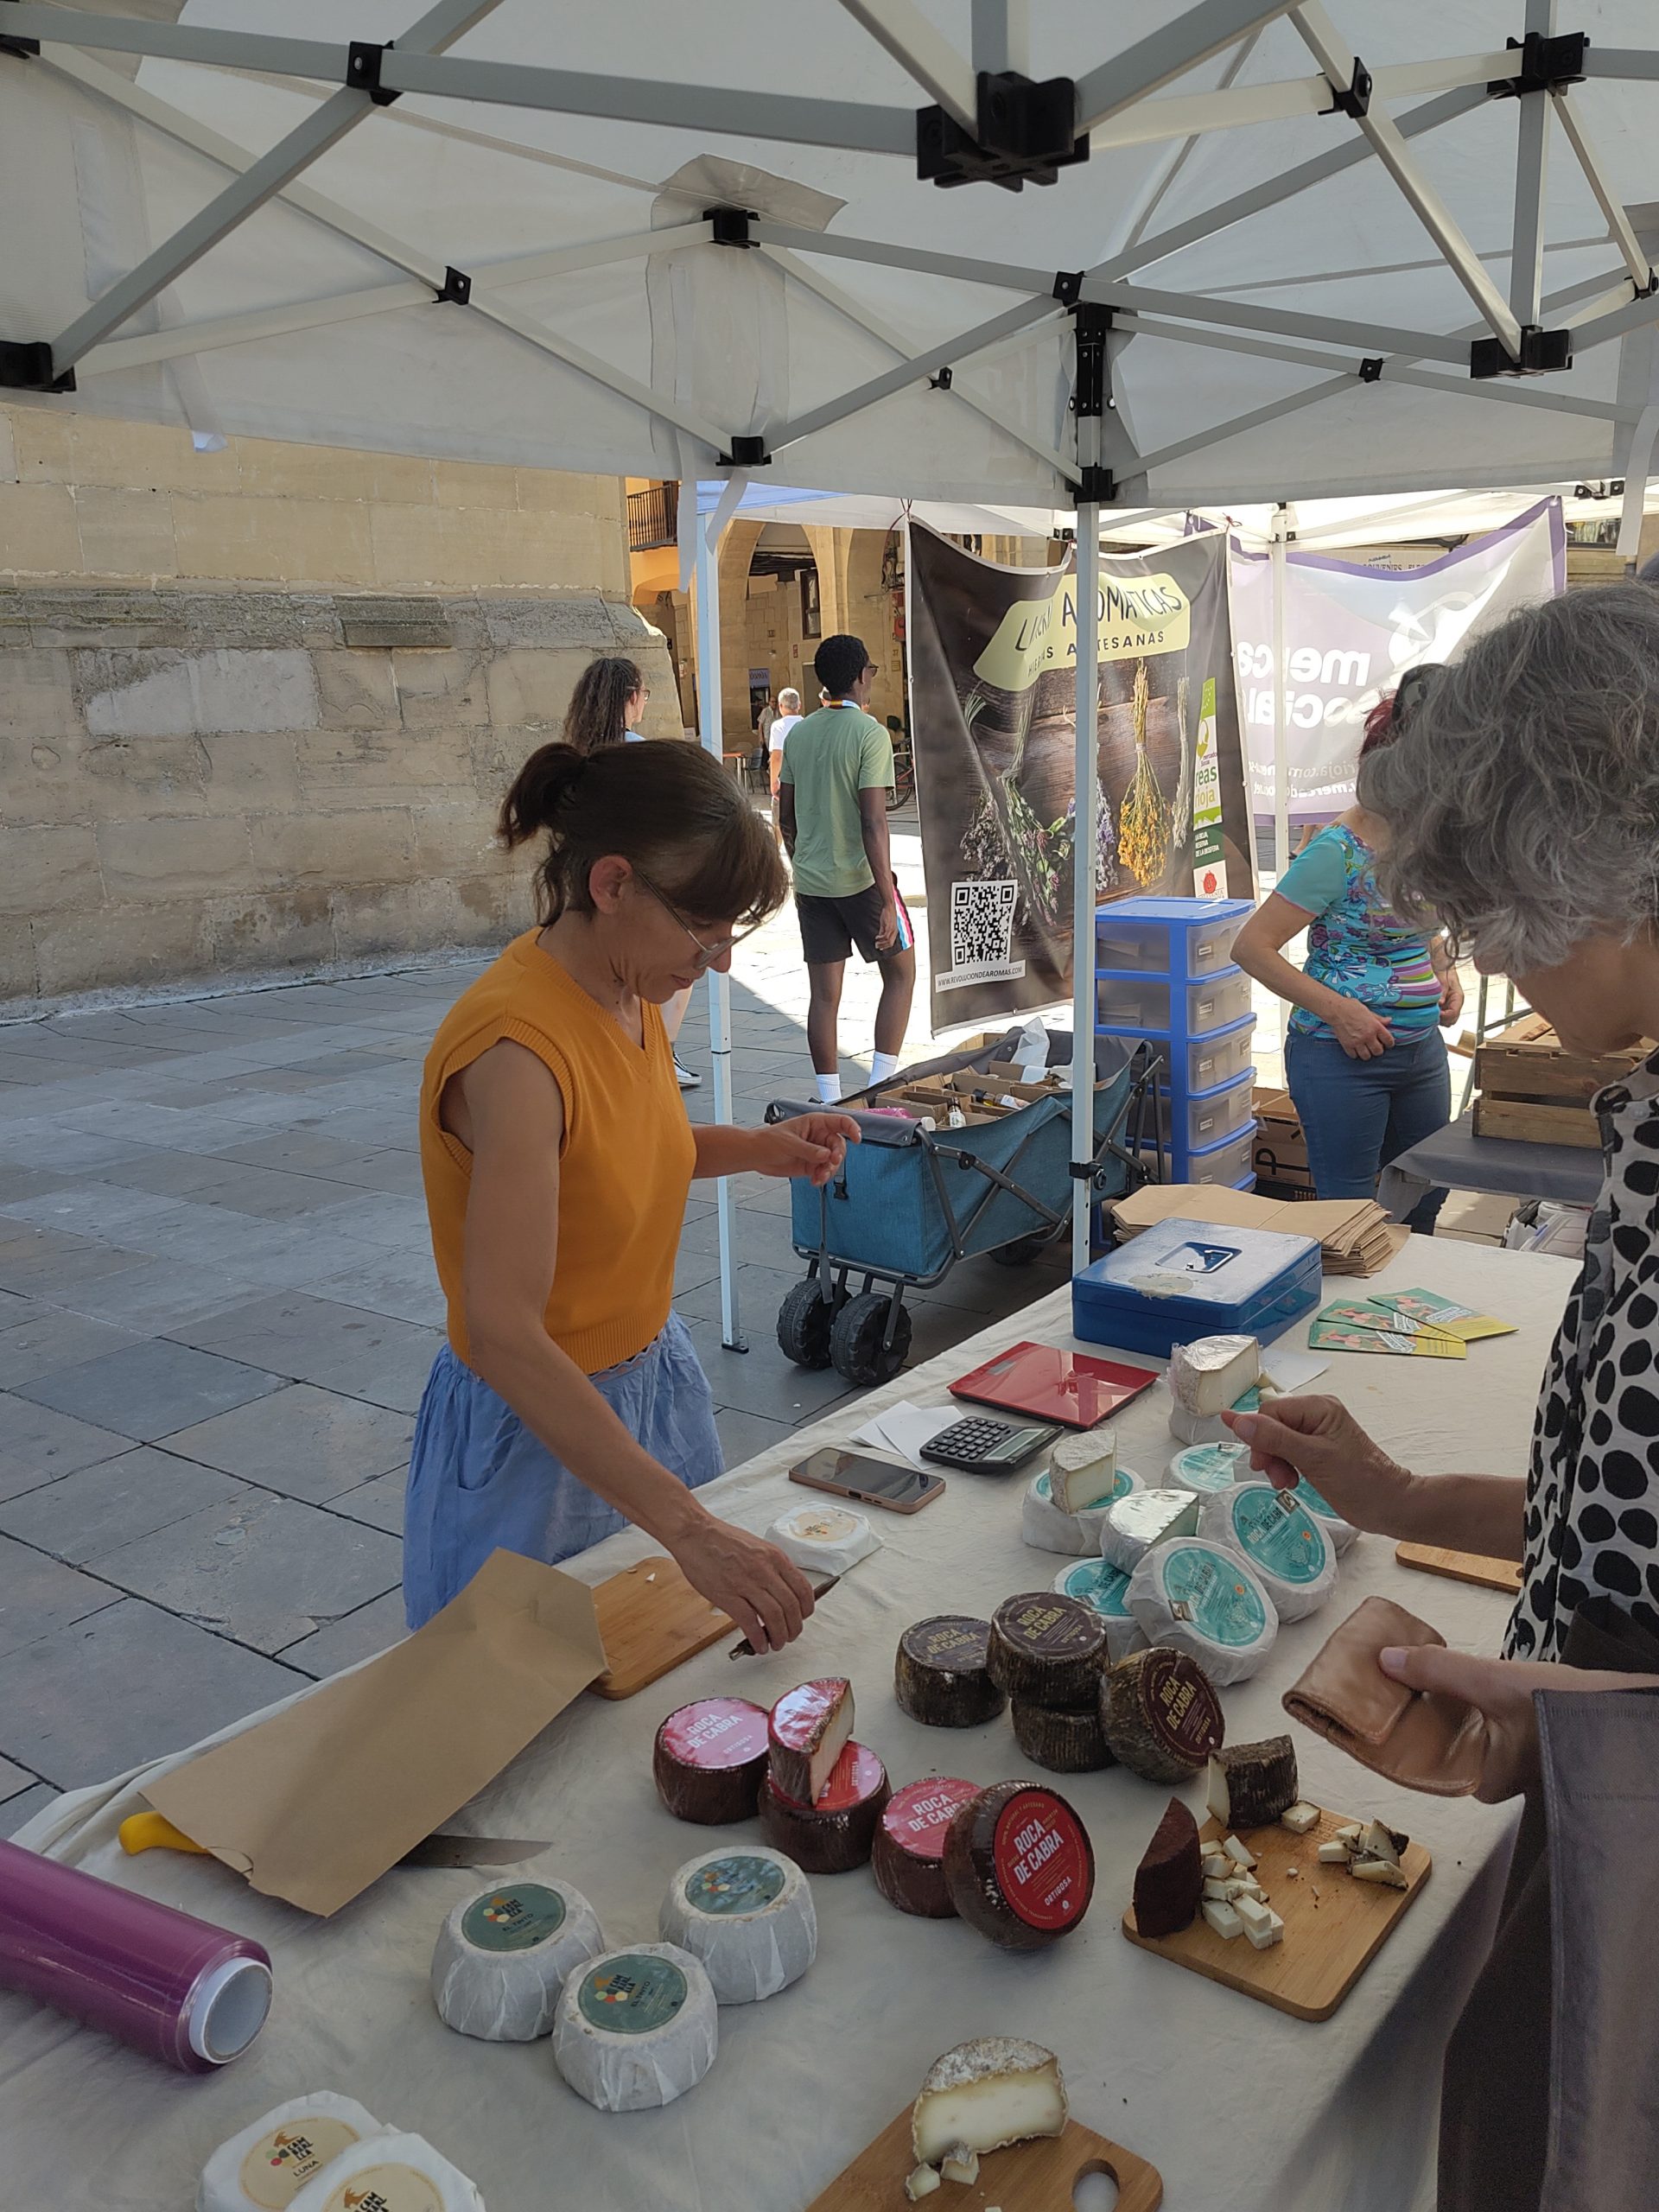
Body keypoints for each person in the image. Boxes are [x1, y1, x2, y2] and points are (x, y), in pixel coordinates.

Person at [1224, 586, 1659, 2210]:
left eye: (1489, 912)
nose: (1481, 958)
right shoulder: (1644, 1111)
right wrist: (1407, 1503)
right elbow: (1622, 1521)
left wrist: (1576, 1712)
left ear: (1596, 870)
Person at [405, 736, 859, 1654]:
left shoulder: (628, 991)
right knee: (534, 1694)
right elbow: (502, 1333)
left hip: (649, 1381)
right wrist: (689, 1528)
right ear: (613, 884)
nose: (719, 962)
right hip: (540, 1428)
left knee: (676, 1670)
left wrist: (757, 1149)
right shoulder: (517, 1051)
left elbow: (618, 1153)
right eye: (706, 932)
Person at [1231, 686, 1461, 1222]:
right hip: (1340, 1058)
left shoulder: (1426, 841)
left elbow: (1413, 921)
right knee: (1349, 1215)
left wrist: (1443, 968)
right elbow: (1252, 947)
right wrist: (1340, 1012)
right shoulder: (1336, 853)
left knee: (1427, 1195)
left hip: (1422, 1050)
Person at [779, 633, 916, 1104]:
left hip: (812, 883)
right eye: (871, 672)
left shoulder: (799, 733)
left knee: (824, 996)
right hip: (861, 880)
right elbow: (873, 821)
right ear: (860, 677)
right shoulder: (869, 734)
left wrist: (801, 859)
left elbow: (785, 817)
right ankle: (878, 1086)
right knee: (900, 974)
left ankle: (829, 1095)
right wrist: (886, 898)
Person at [562, 654, 702, 1090]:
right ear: (629, 698)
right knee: (672, 965)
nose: (644, 702)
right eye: (642, 694)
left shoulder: (577, 754)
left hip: (587, 879)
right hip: (636, 877)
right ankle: (660, 1052)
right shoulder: (638, 753)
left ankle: (616, 1054)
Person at [767, 686, 803, 850]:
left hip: (786, 781)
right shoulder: (806, 724)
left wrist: (774, 781)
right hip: (805, 782)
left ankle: (775, 857)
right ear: (799, 705)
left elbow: (777, 756)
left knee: (779, 825)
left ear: (781, 706)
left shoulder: (778, 726)